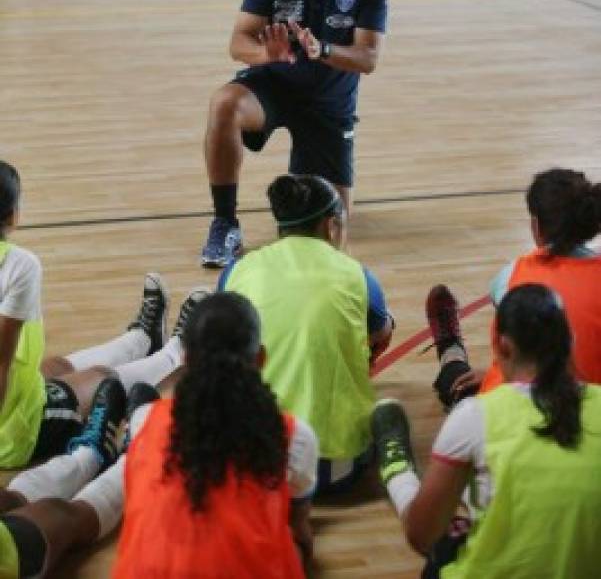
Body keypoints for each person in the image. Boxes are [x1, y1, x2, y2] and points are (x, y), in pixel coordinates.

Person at [0, 293, 319, 577]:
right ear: (260, 359)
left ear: (188, 361)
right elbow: (298, 526)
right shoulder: (294, 435)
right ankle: (99, 452)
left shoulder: (146, 420)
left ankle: (108, 451)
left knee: (147, 455)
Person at [201, 0, 388, 267]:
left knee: (330, 234)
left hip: (329, 103)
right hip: (275, 86)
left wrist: (325, 51)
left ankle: (318, 179)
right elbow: (238, 43)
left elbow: (368, 57)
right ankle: (224, 223)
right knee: (224, 103)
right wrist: (265, 54)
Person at [373, 284, 601, 579]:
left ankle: (397, 469)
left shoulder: (476, 416)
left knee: (445, 530)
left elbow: (421, 536)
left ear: (502, 347)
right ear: (570, 342)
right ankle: (451, 354)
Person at [0, 159, 202, 467]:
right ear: (14, 215)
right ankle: (177, 353)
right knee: (103, 379)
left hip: (15, 390)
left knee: (55, 365)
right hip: (15, 432)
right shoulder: (19, 265)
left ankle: (141, 340)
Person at [219, 173, 394, 493]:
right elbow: (381, 334)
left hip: (253, 463)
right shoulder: (358, 276)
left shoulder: (238, 270)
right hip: (335, 470)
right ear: (331, 226)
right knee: (380, 323)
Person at [425, 167, 601, 407]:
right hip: (590, 411)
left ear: (536, 227)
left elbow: (523, 351)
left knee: (458, 384)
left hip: (519, 410)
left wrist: (491, 377)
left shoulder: (511, 277)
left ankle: (451, 351)